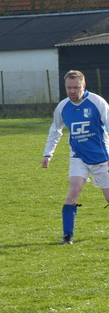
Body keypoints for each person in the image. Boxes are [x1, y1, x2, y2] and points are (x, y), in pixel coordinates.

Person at [41, 69, 109, 244]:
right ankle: (67, 235)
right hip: (78, 156)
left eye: (76, 87)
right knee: (74, 191)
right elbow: (55, 131)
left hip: (102, 158)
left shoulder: (97, 102)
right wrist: (48, 154)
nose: (72, 91)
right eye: (69, 88)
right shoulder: (63, 107)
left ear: (84, 86)